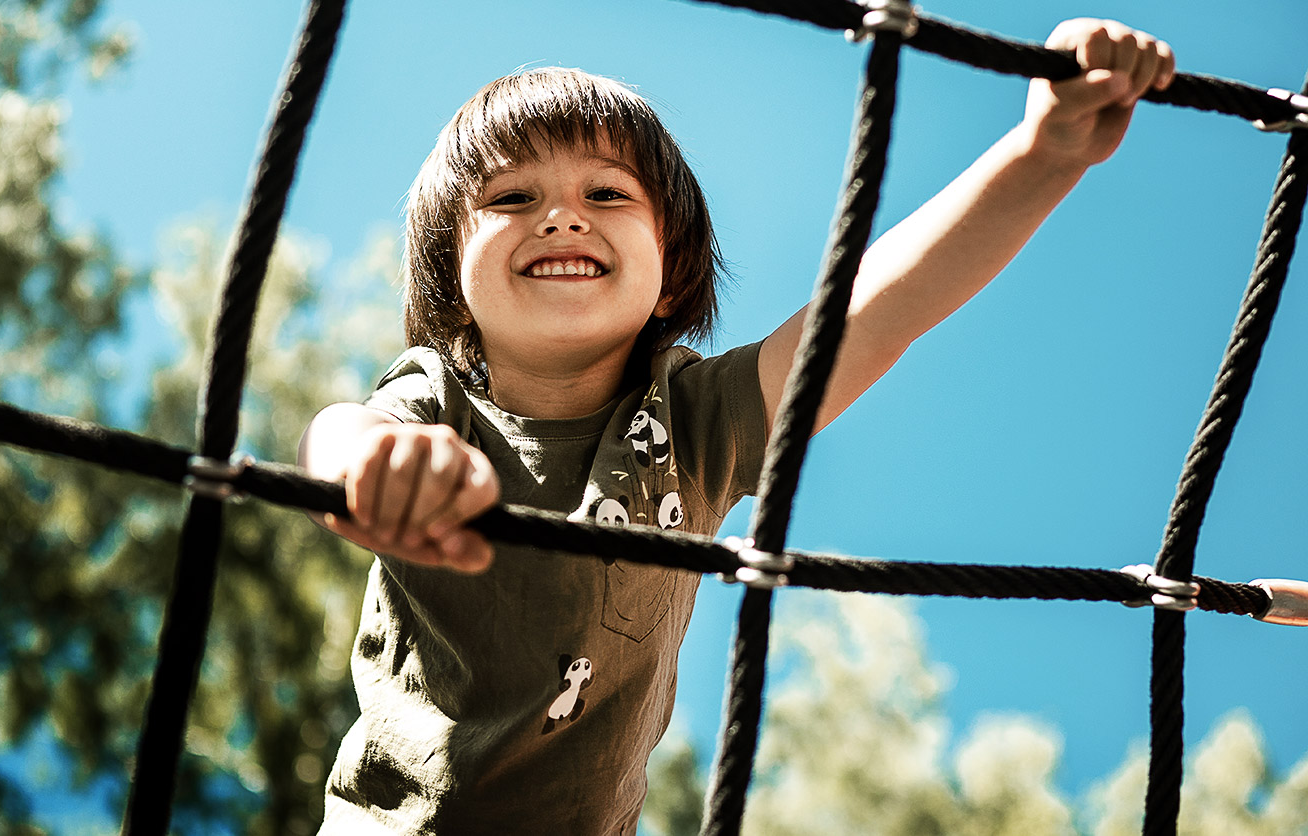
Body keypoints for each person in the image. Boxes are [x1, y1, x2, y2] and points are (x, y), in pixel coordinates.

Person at [300, 18, 1175, 834]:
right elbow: (340, 434)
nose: (562, 215)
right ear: (454, 281)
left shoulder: (693, 425)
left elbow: (876, 311)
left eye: (607, 193)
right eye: (511, 196)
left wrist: (1041, 153)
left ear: (673, 275)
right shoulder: (441, 401)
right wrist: (377, 464)